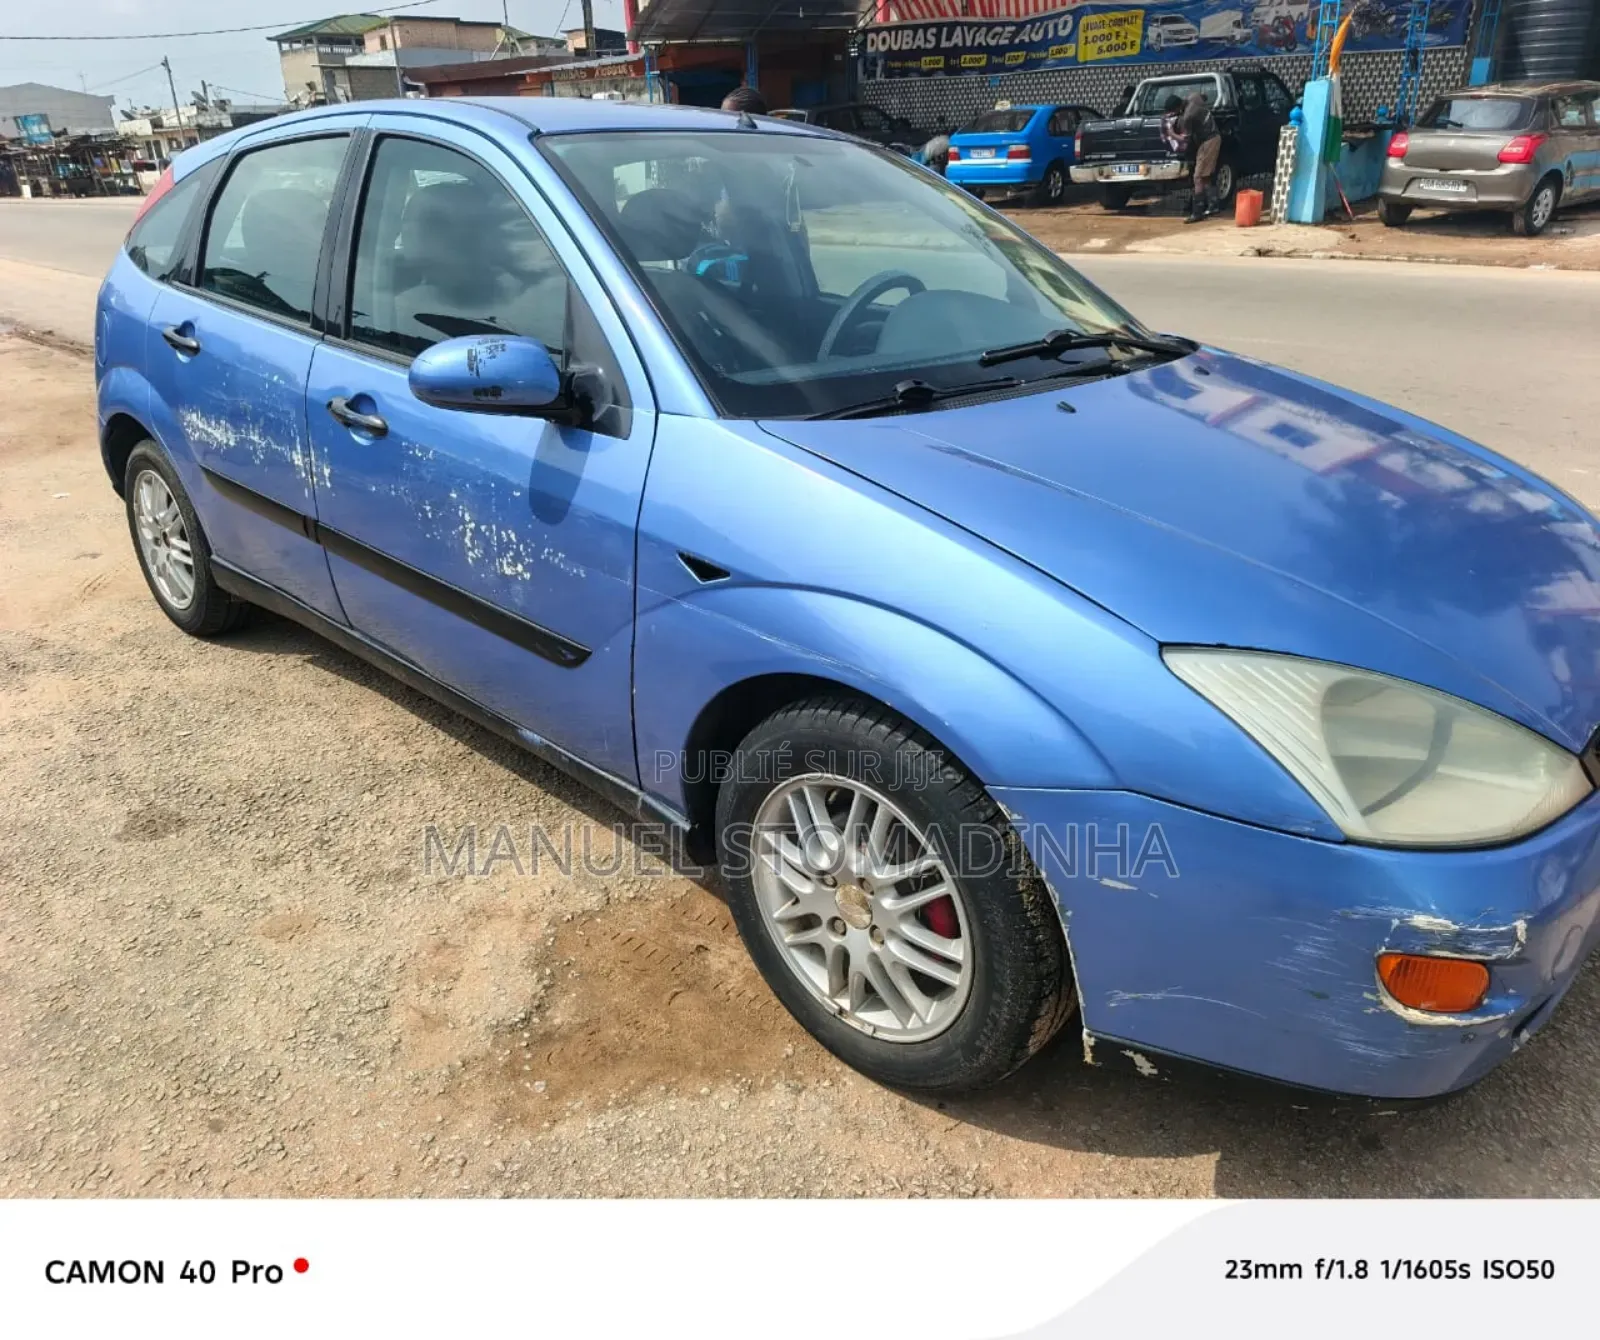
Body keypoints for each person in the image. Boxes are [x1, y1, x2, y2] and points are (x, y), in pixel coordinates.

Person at [1178, 89, 1222, 223]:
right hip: (1214, 137)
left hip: (1208, 141)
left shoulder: (1187, 116)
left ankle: (1197, 212)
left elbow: (1186, 139)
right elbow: (1203, 96)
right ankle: (1213, 205)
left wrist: (1171, 134)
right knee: (1206, 176)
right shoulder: (1194, 98)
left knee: (1198, 177)